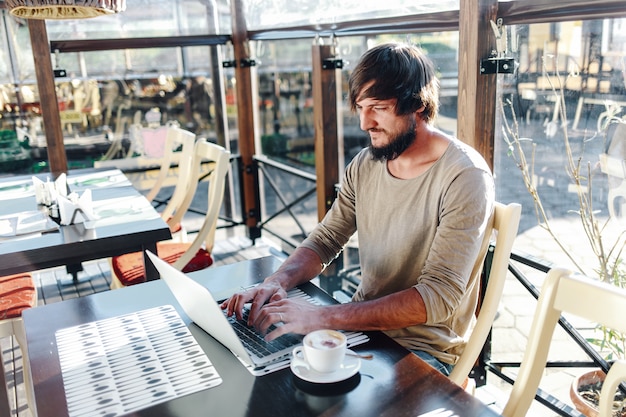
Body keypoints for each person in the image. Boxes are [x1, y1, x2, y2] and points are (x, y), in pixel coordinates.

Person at [222, 42, 495, 376]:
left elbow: (438, 296)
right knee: (253, 363)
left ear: (418, 105)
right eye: (361, 107)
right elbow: (325, 241)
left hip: (422, 350)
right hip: (359, 329)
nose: (365, 123)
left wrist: (321, 317)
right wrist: (277, 281)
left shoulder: (465, 175)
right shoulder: (366, 163)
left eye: (378, 107)